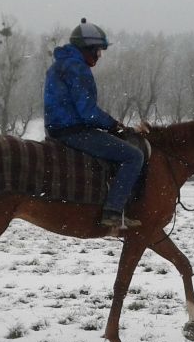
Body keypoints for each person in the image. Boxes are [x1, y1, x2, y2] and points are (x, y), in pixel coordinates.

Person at [44, 18, 143, 228]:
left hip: (57, 130)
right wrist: (114, 125)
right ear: (87, 48)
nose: (99, 56)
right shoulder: (78, 68)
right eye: (98, 50)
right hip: (75, 132)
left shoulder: (58, 66)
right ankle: (113, 211)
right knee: (134, 155)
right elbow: (88, 113)